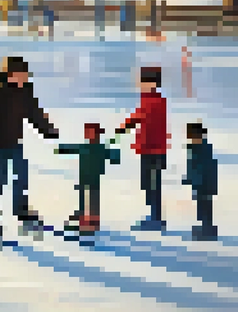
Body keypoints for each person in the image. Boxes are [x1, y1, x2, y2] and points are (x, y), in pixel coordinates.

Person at [0, 56, 60, 241]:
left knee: (21, 176)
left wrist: (48, 131)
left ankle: (21, 208)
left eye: (26, 76)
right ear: (10, 75)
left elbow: (35, 115)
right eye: (21, 75)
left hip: (15, 142)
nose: (25, 79)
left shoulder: (25, 95)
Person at [117, 66, 171, 231]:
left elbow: (142, 117)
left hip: (152, 149)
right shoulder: (151, 100)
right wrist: (127, 126)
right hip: (155, 149)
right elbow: (139, 116)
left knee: (151, 183)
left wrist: (127, 127)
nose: (139, 84)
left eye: (142, 81)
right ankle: (155, 215)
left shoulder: (152, 101)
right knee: (150, 183)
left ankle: (156, 218)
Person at [55, 123, 119, 236]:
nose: (89, 136)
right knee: (83, 199)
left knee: (93, 200)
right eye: (88, 133)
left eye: (92, 133)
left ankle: (92, 221)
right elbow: (71, 149)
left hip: (94, 179)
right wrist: (62, 148)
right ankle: (82, 218)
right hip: (83, 178)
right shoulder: (85, 147)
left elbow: (115, 158)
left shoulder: (101, 148)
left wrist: (114, 154)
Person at [182, 121, 219, 241]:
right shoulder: (198, 148)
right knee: (202, 204)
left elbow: (201, 167)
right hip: (202, 182)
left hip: (204, 182)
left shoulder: (201, 149)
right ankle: (206, 227)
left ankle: (207, 229)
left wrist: (193, 179)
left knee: (205, 205)